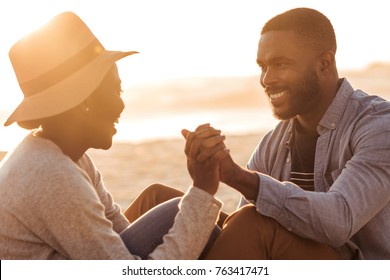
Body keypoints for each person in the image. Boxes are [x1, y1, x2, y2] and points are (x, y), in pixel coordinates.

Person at [141, 8, 390, 260]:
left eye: (281, 64)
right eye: (263, 66)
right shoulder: (274, 142)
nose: (266, 79)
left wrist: (239, 177)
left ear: (324, 63)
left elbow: (339, 221)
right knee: (159, 200)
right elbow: (238, 226)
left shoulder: (379, 125)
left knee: (253, 222)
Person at [0, 12, 229, 260]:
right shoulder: (51, 174)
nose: (121, 105)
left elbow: (120, 234)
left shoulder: (68, 157)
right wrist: (203, 191)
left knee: (181, 214)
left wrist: (197, 203)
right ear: (84, 101)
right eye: (116, 90)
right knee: (183, 212)